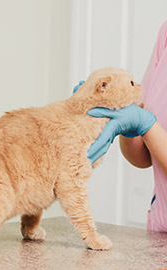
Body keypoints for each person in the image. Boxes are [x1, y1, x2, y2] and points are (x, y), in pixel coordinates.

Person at [81, 21, 167, 232]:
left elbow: (147, 124)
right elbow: (142, 158)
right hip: (160, 232)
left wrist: (145, 124)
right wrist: (129, 126)